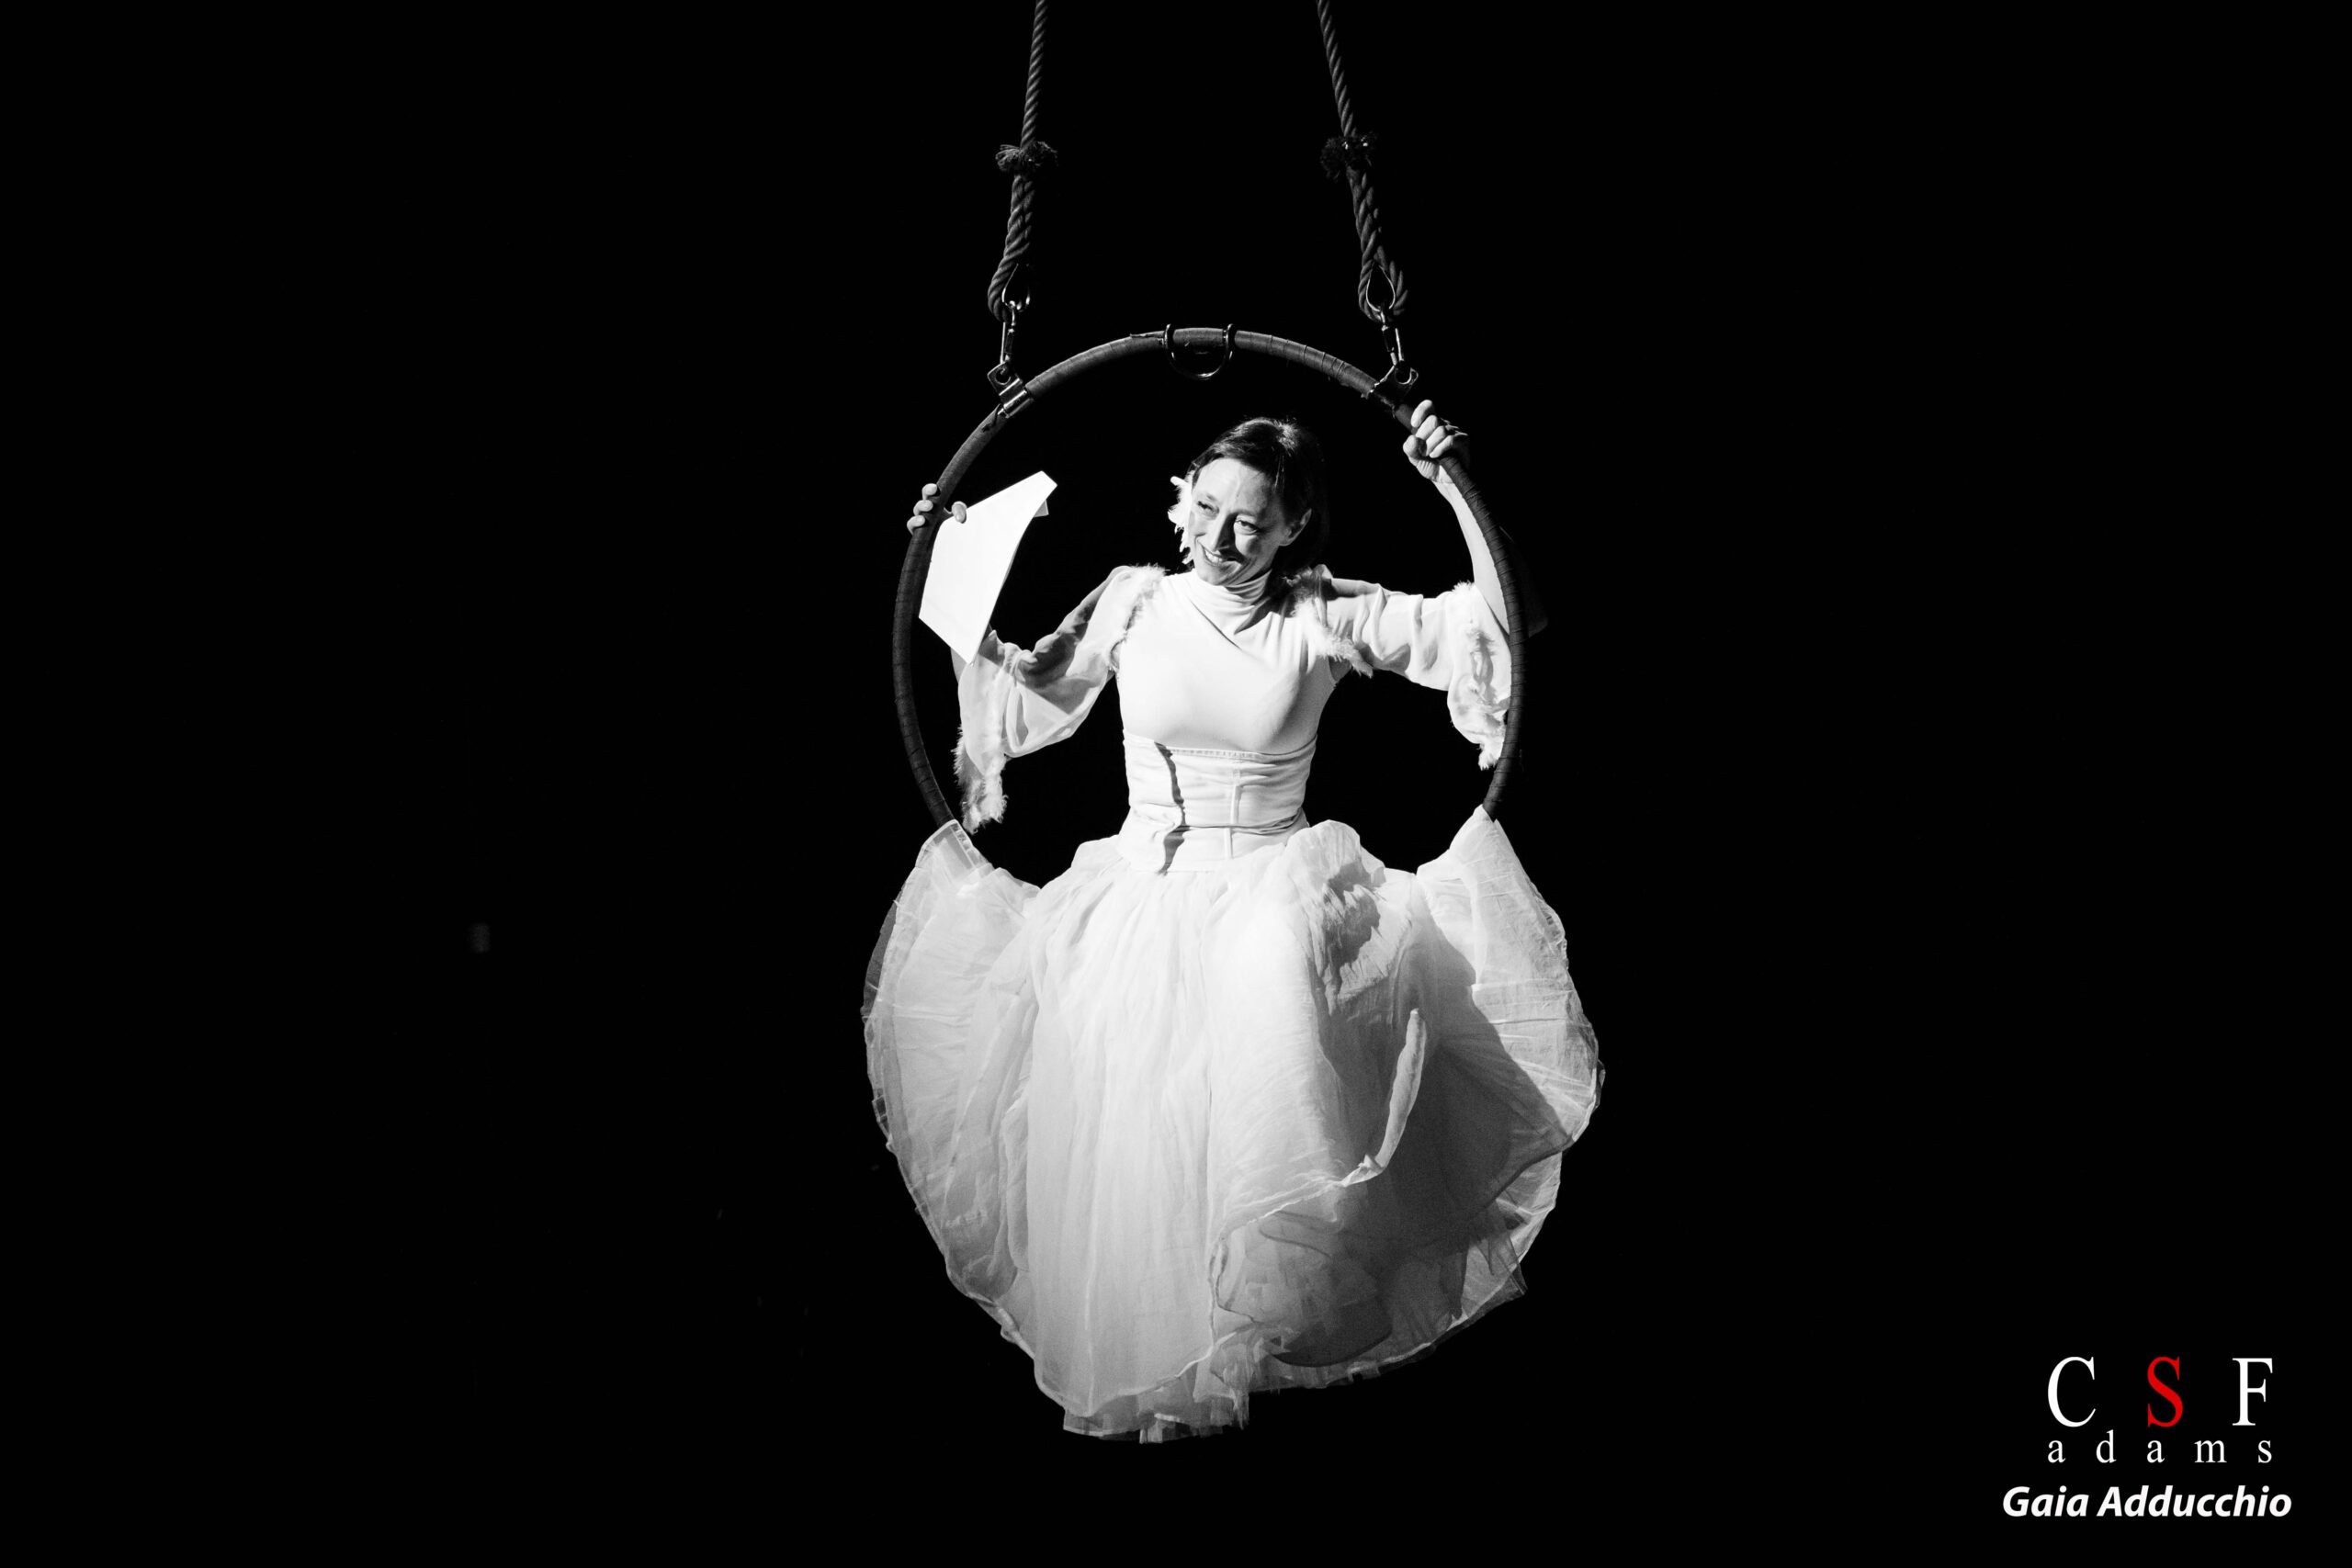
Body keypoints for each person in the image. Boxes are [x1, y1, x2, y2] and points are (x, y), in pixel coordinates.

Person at [865, 400, 1602, 1440]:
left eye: (1251, 523)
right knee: (1136, 1155)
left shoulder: (1320, 613)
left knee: (1264, 1072)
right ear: (1182, 500)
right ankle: (1158, 1393)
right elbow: (1020, 700)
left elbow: (1500, 623)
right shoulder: (1133, 602)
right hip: (1135, 907)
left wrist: (1456, 489)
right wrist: (948, 565)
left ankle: (1251, 1339)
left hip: (1270, 898)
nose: (1220, 539)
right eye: (1206, 509)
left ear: (1294, 526)